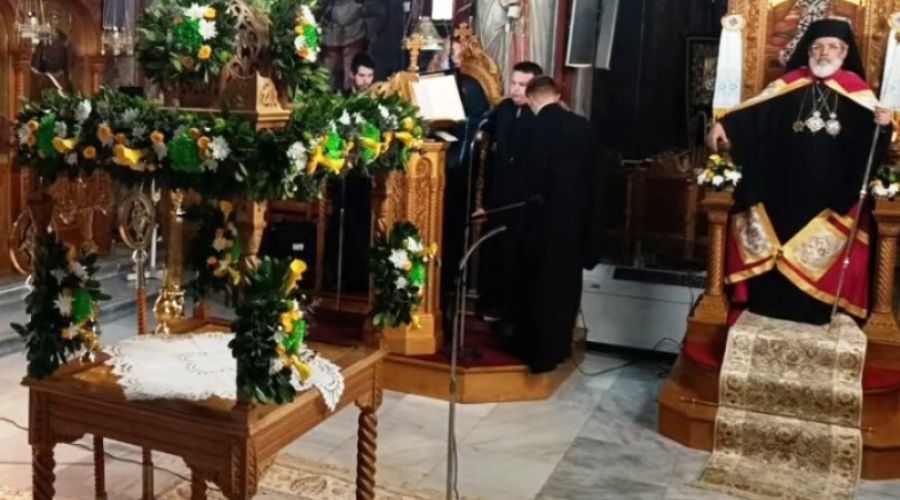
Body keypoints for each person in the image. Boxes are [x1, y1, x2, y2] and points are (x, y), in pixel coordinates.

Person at [707, 18, 893, 325]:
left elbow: (874, 141)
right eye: (817, 47)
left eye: (832, 47)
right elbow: (753, 116)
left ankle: (816, 311)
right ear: (808, 51)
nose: (824, 53)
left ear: (844, 53)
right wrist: (724, 125)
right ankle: (766, 304)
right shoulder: (788, 84)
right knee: (774, 244)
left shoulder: (857, 92)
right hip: (781, 188)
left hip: (830, 192)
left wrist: (884, 126)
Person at [510, 76, 602, 373]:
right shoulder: (583, 128)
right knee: (564, 286)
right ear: (557, 96)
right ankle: (560, 348)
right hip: (573, 224)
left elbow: (522, 180)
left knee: (536, 288)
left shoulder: (531, 128)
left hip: (539, 224)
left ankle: (536, 352)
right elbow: (595, 182)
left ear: (531, 99)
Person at [476, 61, 543, 324]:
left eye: (522, 85)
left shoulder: (539, 116)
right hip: (497, 194)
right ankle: (490, 304)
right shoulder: (502, 110)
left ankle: (511, 312)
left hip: (523, 199)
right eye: (513, 83)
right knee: (493, 252)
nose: (516, 89)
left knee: (516, 255)